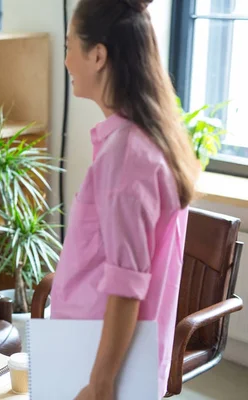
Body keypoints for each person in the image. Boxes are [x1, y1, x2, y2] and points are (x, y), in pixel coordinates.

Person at [50, 0, 200, 398]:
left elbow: (126, 286)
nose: (66, 61)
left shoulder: (128, 154)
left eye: (69, 47)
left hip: (99, 361)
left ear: (97, 55)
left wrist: (100, 381)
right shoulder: (139, 140)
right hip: (91, 347)